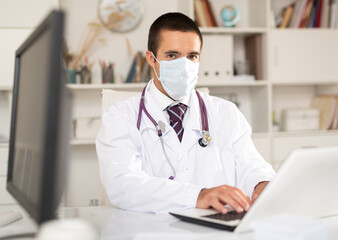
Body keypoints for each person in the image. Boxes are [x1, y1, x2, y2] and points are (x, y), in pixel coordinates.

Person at [96, 12, 276, 215]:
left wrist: (261, 183)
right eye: (172, 55)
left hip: (214, 230)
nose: (184, 65)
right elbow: (122, 184)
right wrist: (197, 196)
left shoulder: (226, 112)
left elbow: (250, 165)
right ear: (151, 59)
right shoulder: (120, 116)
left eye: (192, 56)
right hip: (150, 230)